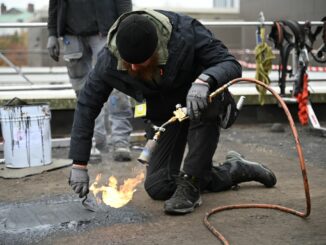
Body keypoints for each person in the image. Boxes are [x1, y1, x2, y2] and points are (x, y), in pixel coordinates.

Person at [68, 9, 277, 214]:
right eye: (128, 64)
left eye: (140, 64)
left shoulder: (186, 32)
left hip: (201, 104)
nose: (132, 69)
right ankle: (234, 169)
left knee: (205, 105)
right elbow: (87, 105)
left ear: (156, 50)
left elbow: (230, 64)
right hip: (167, 117)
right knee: (159, 187)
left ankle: (192, 184)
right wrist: (79, 163)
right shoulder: (109, 61)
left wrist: (205, 80)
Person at [47, 0, 133, 161]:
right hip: (71, 34)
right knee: (83, 92)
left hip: (107, 32)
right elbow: (54, 3)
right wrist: (52, 33)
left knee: (117, 87)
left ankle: (120, 141)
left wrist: (125, 26)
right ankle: (93, 142)